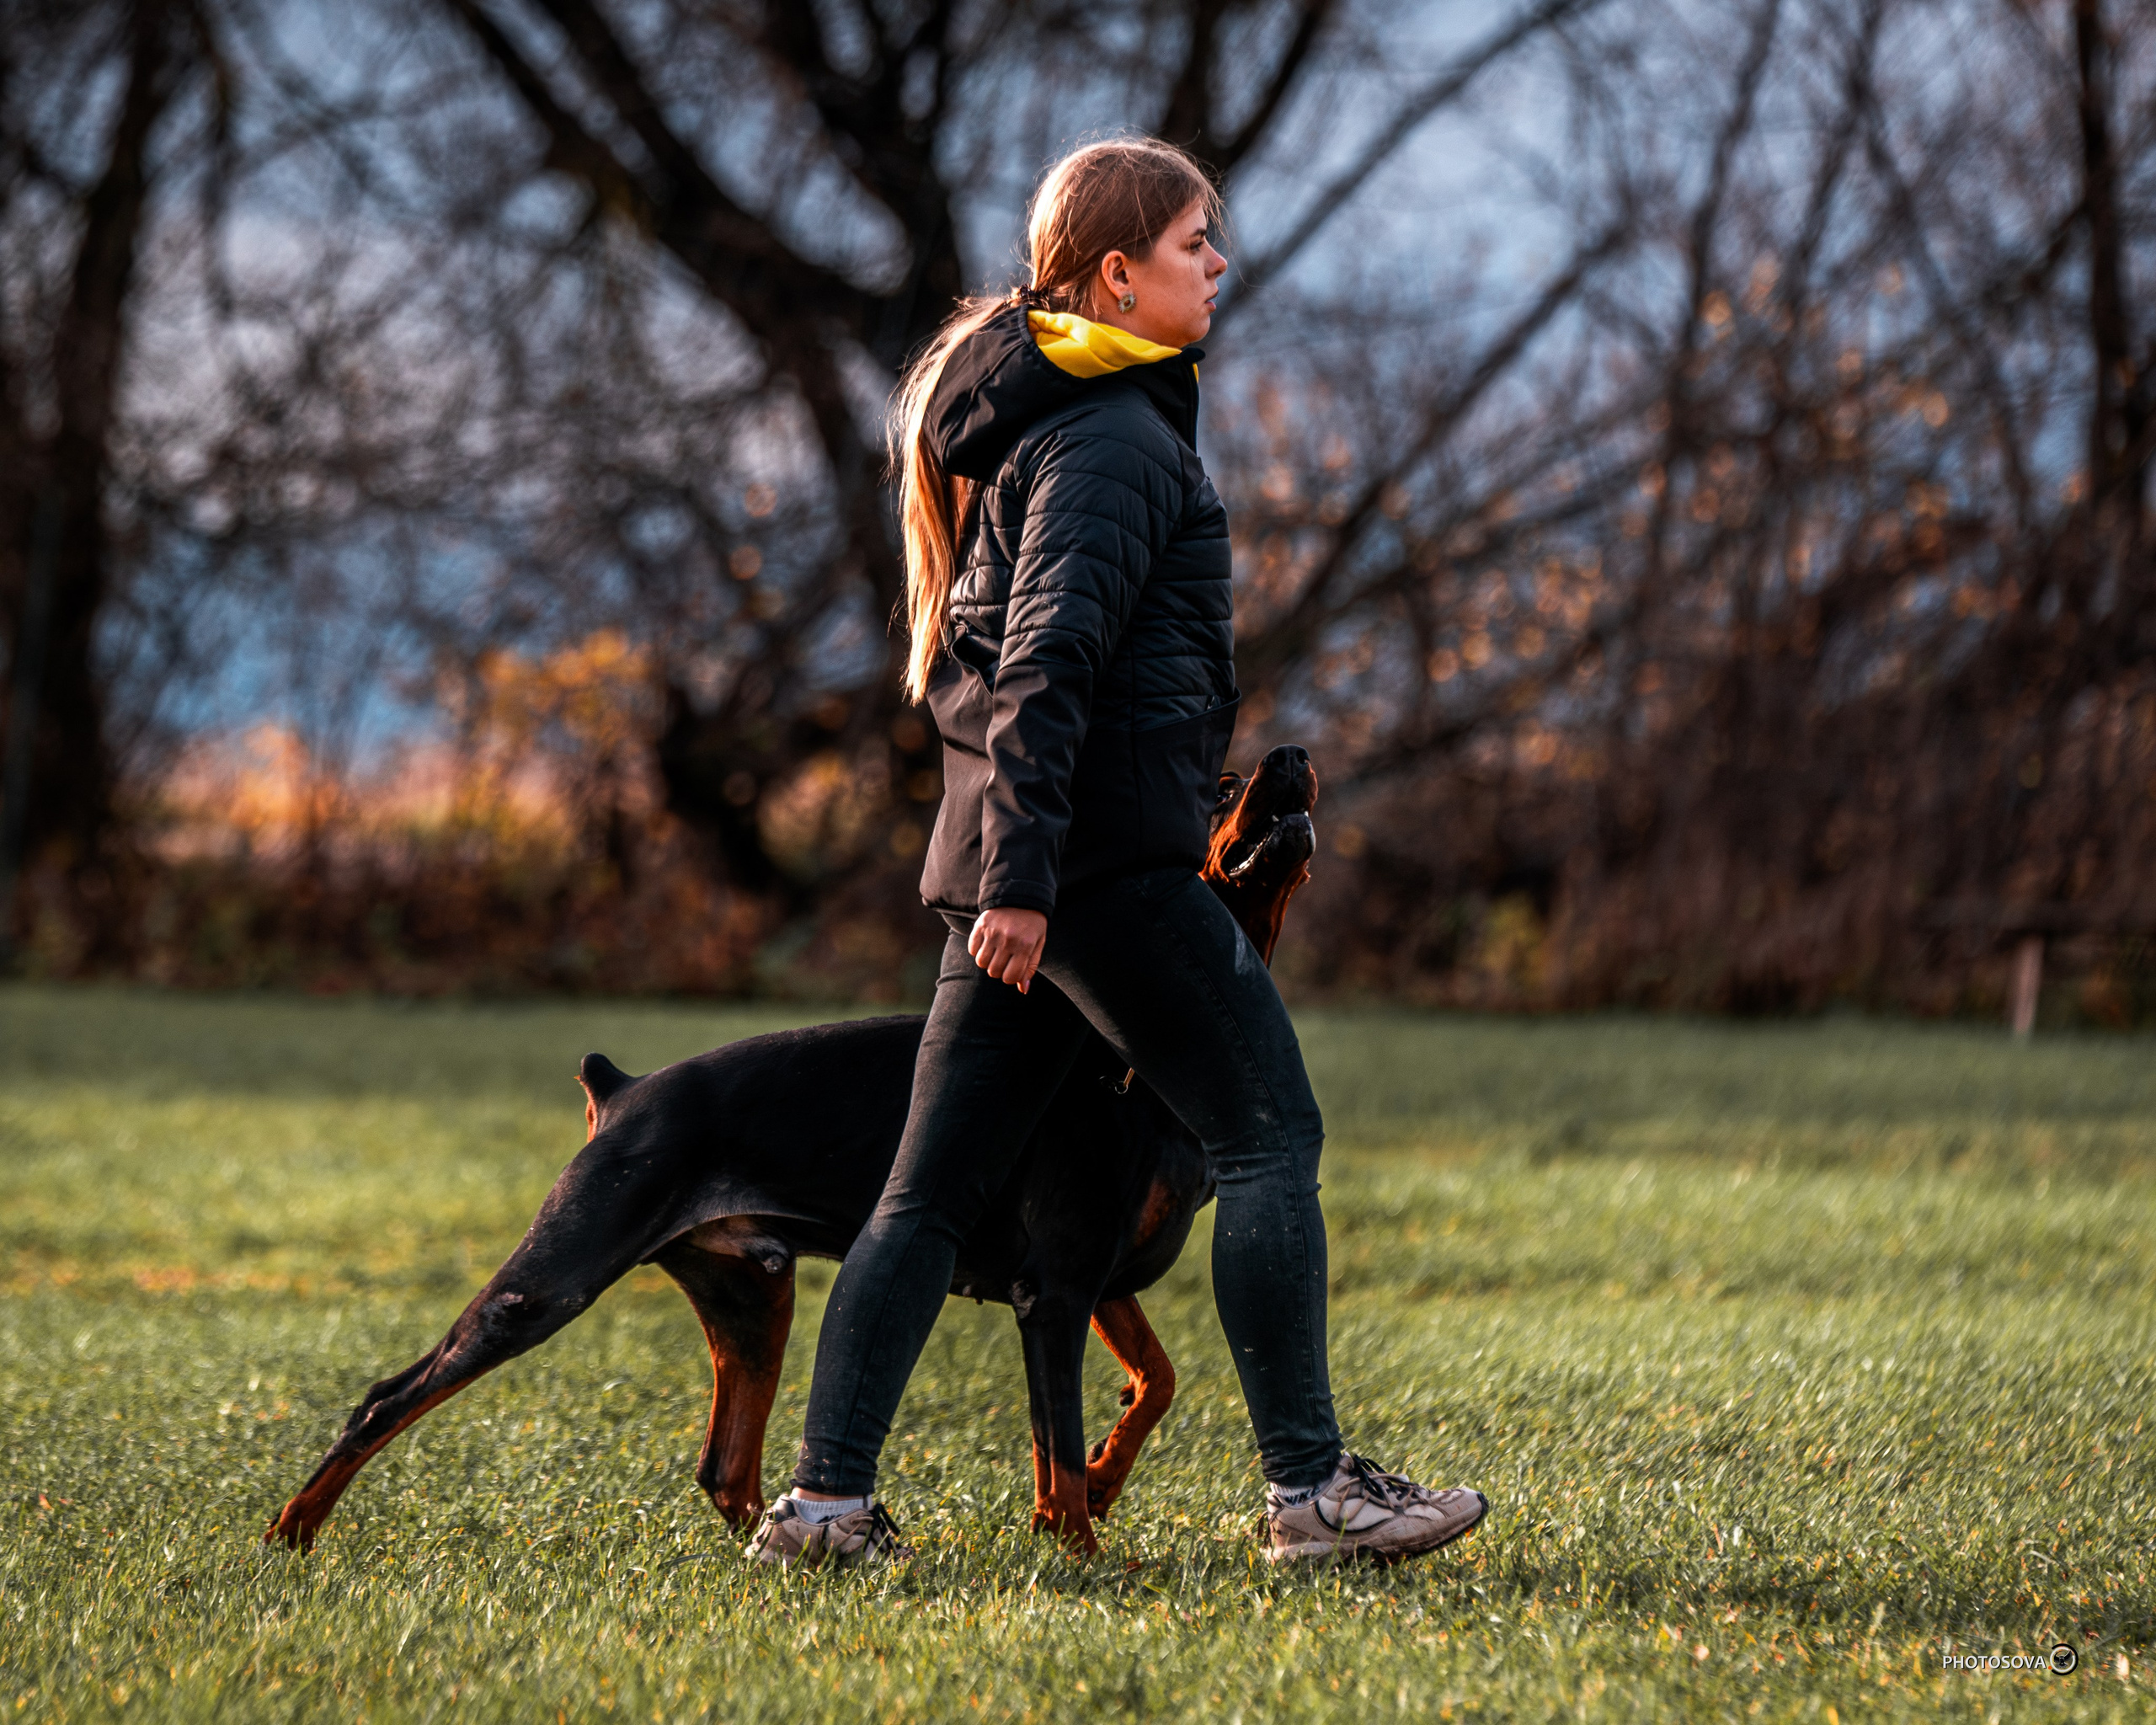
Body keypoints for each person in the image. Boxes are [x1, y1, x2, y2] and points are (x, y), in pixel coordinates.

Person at [747, 136, 1489, 1568]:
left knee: (929, 1191)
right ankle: (1312, 1494)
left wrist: (1008, 884)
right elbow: (1045, 671)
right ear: (1116, 274)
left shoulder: (1079, 418)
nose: (1221, 262)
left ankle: (826, 1508)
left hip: (1026, 879)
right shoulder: (1109, 441)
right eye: (1198, 240)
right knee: (1270, 1132)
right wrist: (1026, 884)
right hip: (1092, 877)